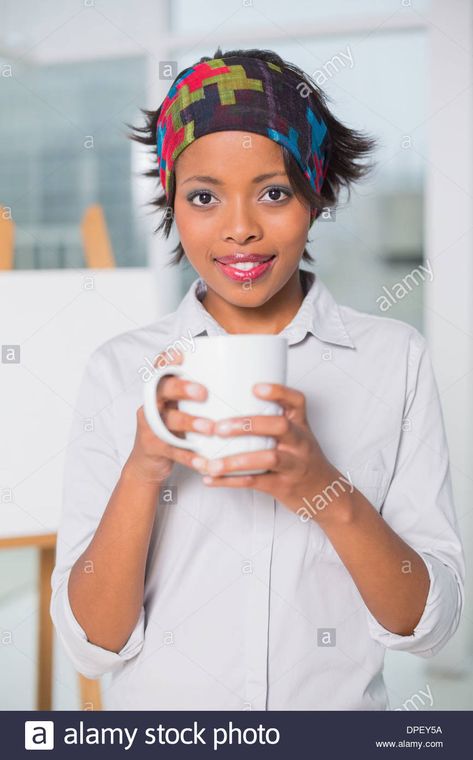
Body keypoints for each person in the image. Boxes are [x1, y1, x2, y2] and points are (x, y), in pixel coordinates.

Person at [50, 47, 464, 711]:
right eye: (204, 197)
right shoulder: (121, 368)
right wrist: (143, 469)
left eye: (273, 192)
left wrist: (321, 488)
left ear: (315, 191)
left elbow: (429, 627)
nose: (240, 229)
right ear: (172, 204)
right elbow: (92, 646)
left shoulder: (393, 357)